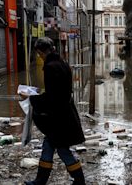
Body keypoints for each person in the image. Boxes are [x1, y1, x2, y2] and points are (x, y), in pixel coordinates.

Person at [21, 37, 86, 185]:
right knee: (49, 146)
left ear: (40, 52)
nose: (39, 56)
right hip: (65, 114)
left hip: (58, 118)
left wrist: (31, 98)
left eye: (39, 53)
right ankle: (40, 180)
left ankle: (79, 180)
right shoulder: (62, 63)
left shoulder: (50, 67)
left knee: (62, 149)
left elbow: (52, 97)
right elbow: (59, 91)